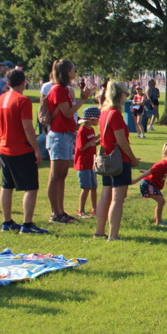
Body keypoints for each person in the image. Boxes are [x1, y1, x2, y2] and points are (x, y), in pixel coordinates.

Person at [0, 69, 49, 234]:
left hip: (4, 147)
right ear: (24, 82)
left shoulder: (0, 99)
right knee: (31, 187)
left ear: (8, 83)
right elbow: (28, 127)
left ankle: (6, 221)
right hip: (21, 148)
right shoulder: (22, 100)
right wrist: (37, 150)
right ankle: (27, 225)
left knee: (7, 185)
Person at [46, 59, 92, 224]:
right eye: (73, 69)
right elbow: (67, 113)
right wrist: (83, 99)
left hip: (66, 135)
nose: (75, 72)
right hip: (59, 136)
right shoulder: (58, 89)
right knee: (55, 176)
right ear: (66, 71)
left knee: (62, 175)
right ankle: (55, 213)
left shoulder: (65, 89)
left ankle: (61, 211)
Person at [94, 81, 141, 240]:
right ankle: (113, 235)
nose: (127, 97)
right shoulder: (115, 114)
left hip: (107, 159)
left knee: (105, 196)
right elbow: (122, 141)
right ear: (121, 95)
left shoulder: (104, 112)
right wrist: (133, 159)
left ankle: (99, 231)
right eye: (126, 94)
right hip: (119, 160)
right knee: (117, 199)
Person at [135, 143, 167, 226]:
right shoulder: (163, 165)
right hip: (148, 183)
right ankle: (158, 222)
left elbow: (154, 171)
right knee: (161, 201)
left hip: (153, 184)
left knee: (161, 201)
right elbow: (151, 171)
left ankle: (157, 220)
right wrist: (135, 180)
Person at [74, 106, 101, 217]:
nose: (98, 120)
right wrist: (96, 138)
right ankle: (81, 210)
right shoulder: (82, 131)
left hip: (91, 163)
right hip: (83, 163)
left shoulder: (91, 130)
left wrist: (100, 141)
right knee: (86, 188)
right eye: (97, 118)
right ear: (91, 119)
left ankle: (94, 209)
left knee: (94, 187)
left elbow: (92, 144)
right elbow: (82, 147)